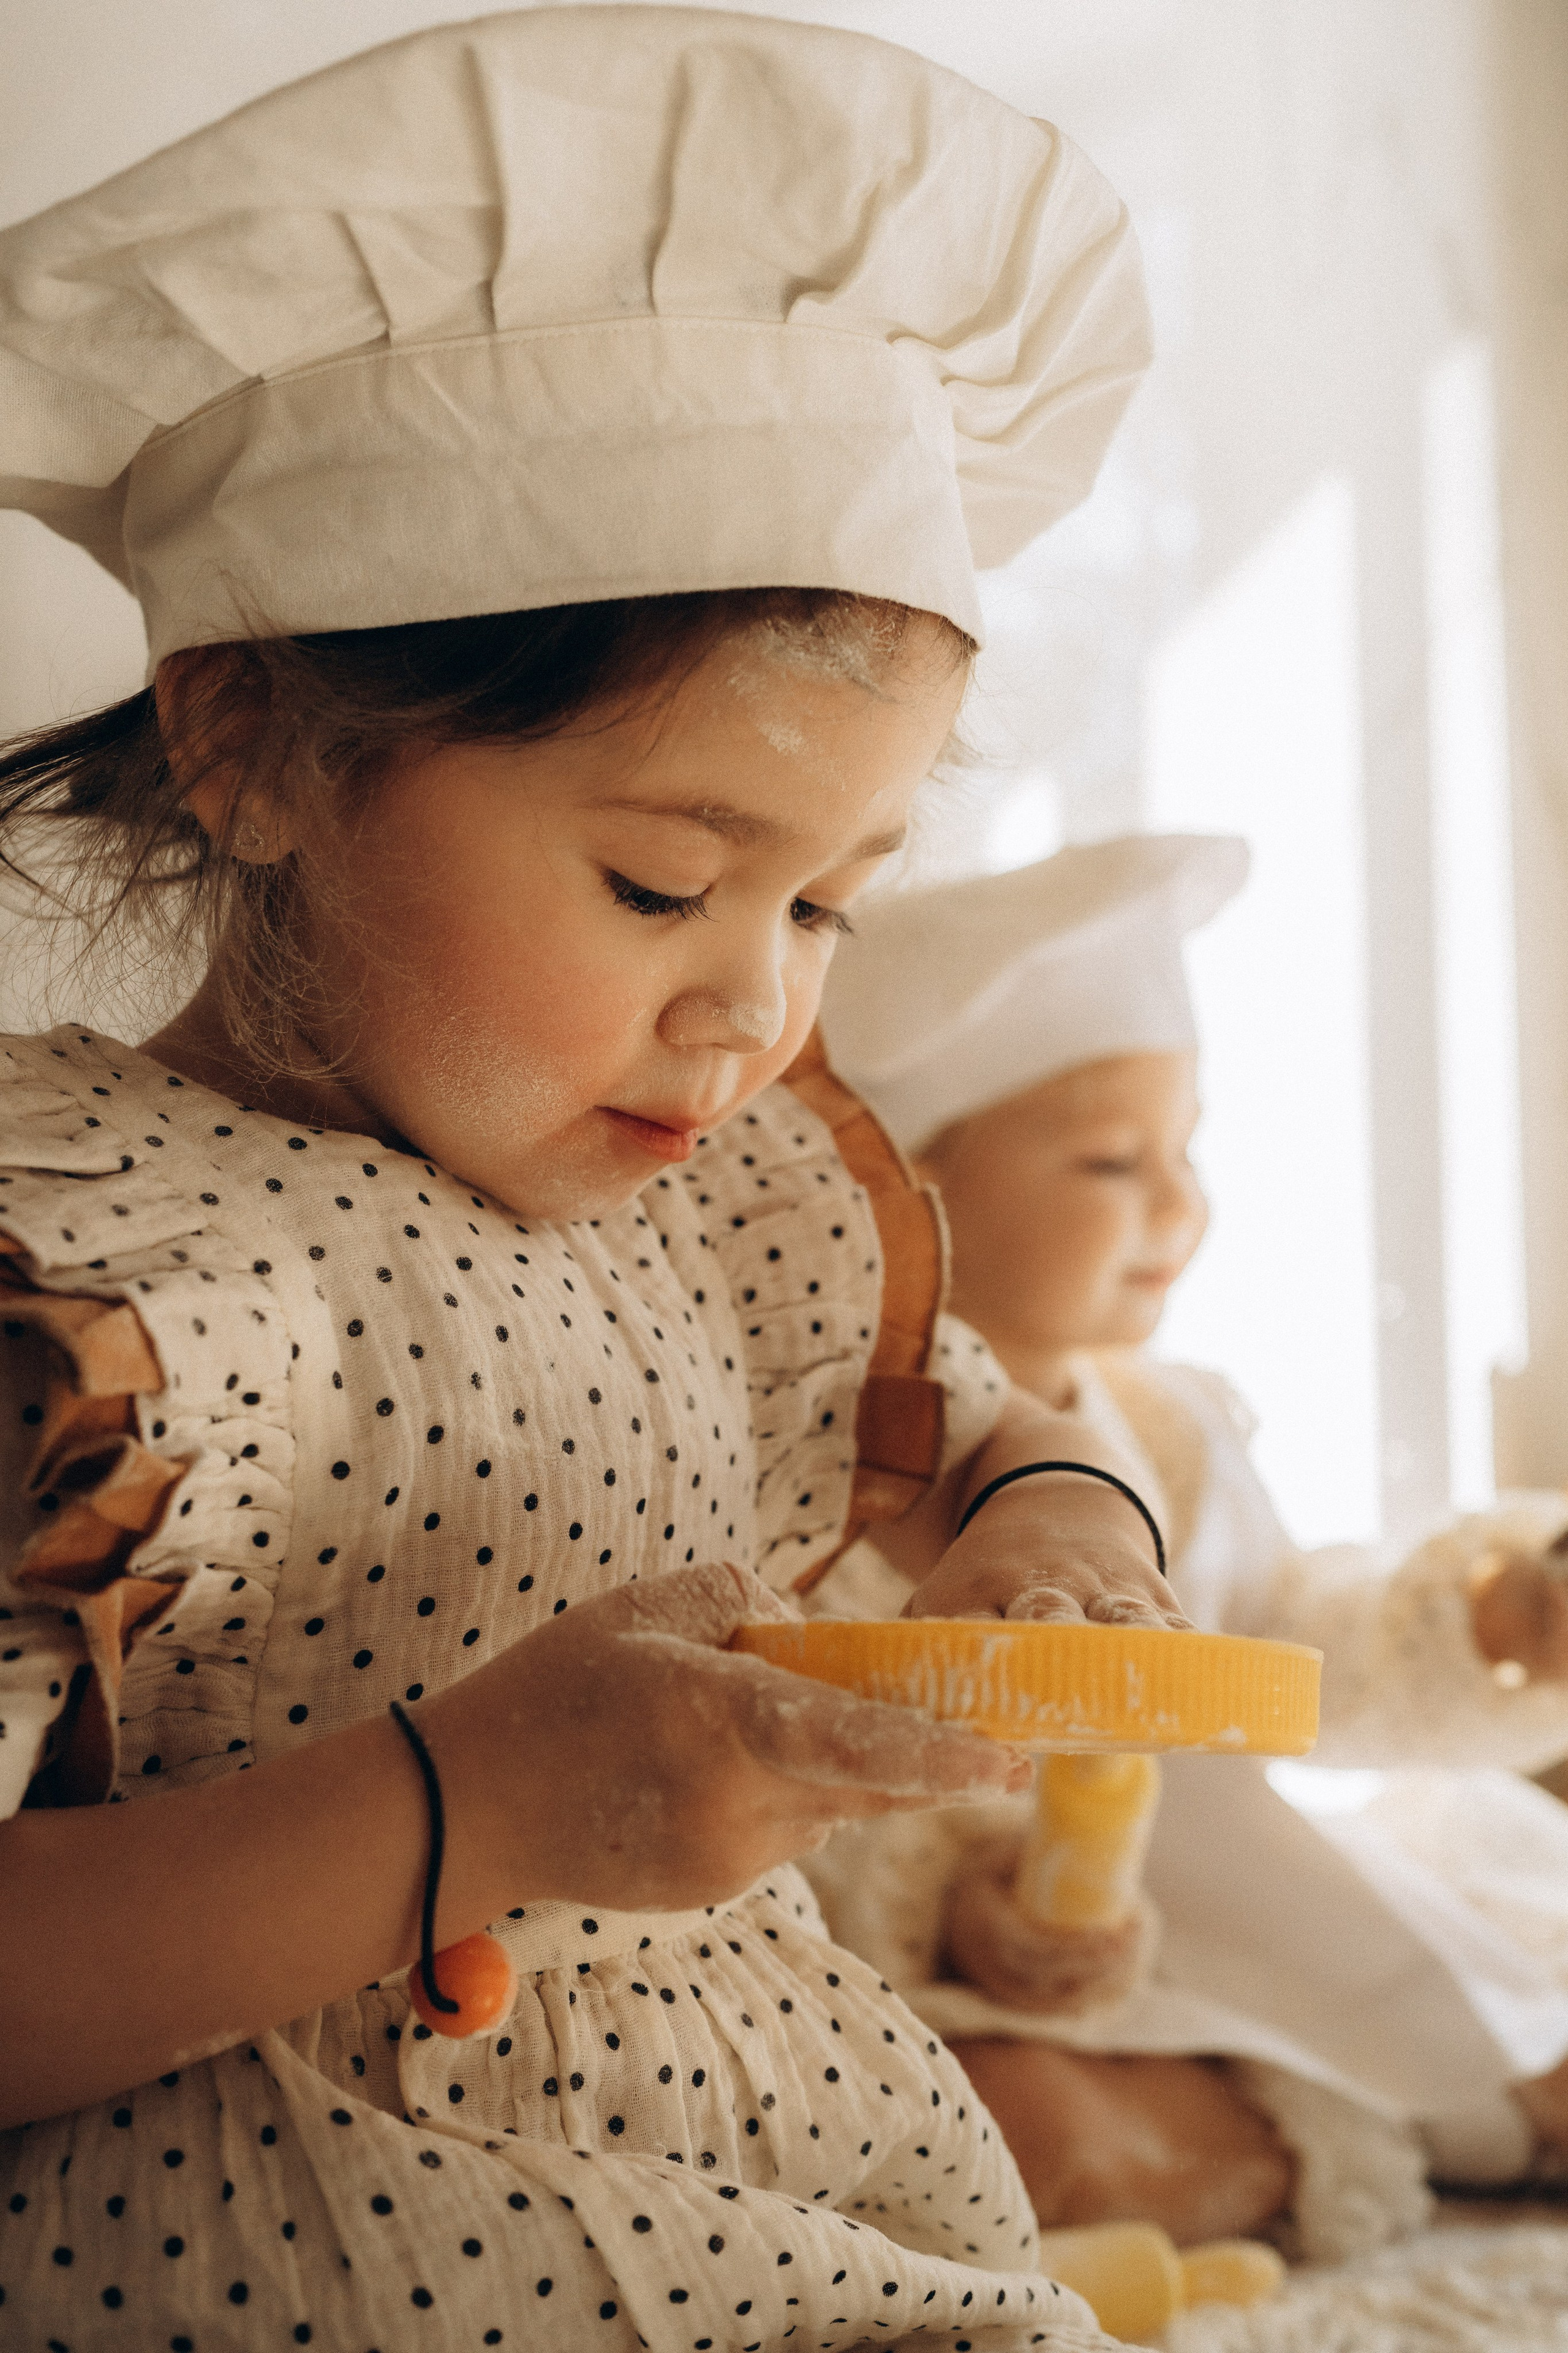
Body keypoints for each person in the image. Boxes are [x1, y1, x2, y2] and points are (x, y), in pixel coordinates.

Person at [0, 12, 1188, 2349]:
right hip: (323, 2236)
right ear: (246, 741)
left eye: (825, 903)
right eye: (665, 886)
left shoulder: (728, 1209)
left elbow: (1002, 1424)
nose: (753, 1005)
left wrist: (1068, 1532)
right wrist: (465, 1804)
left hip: (812, 2169)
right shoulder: (81, 1261)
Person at [809, 833, 1568, 2264]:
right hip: (985, 1984)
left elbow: (1290, 1638)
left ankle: (1461, 2103)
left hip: (1229, 1921)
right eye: (1111, 1159)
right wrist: (960, 1918)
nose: (1180, 1205)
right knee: (1003, 2130)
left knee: (1459, 1939)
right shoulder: (819, 1488)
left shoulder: (1164, 1431)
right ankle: (1363, 2128)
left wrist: (1483, 1616)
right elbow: (822, 1803)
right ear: (901, 1195)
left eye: (1186, 1147)